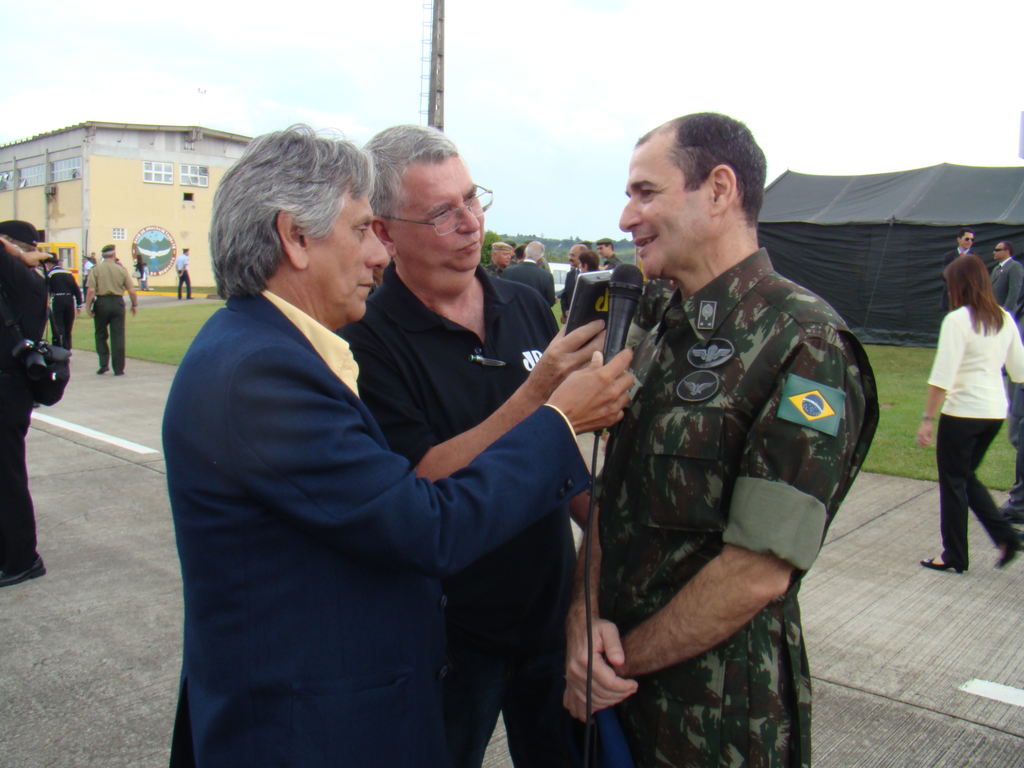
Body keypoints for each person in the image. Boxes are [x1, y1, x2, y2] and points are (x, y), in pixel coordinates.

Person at [164, 125, 632, 768]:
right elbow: (424, 523)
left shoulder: (269, 351)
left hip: (491, 639)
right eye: (361, 231)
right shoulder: (263, 374)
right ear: (294, 237)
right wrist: (554, 416)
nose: (376, 257)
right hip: (310, 727)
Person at [563, 113, 879, 768]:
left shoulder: (806, 342)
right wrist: (580, 621)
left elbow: (757, 570)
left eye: (646, 192)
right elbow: (611, 502)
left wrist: (618, 662)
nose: (626, 217)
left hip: (717, 723)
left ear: (719, 189)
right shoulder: (659, 325)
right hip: (614, 698)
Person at [342, 124, 620, 768]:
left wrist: (601, 519)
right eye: (443, 212)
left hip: (548, 617)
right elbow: (422, 481)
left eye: (473, 199)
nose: (471, 224)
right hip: (446, 637)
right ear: (384, 232)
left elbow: (562, 454)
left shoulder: (523, 302)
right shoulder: (367, 337)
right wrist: (543, 392)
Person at [916, 254, 1023, 573]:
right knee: (965, 476)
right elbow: (1019, 370)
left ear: (959, 286)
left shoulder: (958, 320)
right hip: (993, 412)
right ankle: (1005, 537)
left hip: (962, 413)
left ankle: (954, 555)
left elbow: (942, 376)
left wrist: (927, 419)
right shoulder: (1003, 318)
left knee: (952, 482)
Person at [0, 220, 50, 588]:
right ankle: (12, 553)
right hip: (12, 386)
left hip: (8, 388)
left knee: (8, 479)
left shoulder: (20, 276)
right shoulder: (23, 278)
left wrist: (12, 249)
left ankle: (22, 558)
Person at [85, 244, 138, 376]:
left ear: (102, 256)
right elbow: (131, 290)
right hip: (117, 302)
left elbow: (91, 290)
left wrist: (88, 306)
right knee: (118, 336)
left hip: (102, 302)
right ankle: (118, 368)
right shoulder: (121, 270)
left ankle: (103, 364)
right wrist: (134, 304)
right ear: (114, 255)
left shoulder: (96, 269)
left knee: (100, 334)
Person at [42, 255, 83, 348]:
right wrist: (79, 304)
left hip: (58, 299)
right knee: (68, 327)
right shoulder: (68, 273)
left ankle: (58, 346)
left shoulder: (50, 274)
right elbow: (76, 290)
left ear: (49, 264)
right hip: (69, 300)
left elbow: (46, 289)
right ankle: (67, 347)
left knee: (58, 326)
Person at [501, 240, 556, 306]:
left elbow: (502, 296)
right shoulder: (547, 276)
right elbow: (550, 302)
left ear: (525, 253)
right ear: (540, 257)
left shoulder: (508, 271)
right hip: (535, 314)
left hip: (512, 314)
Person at [940, 228, 975, 311]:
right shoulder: (949, 256)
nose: (970, 241)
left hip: (968, 298)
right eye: (967, 239)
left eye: (972, 239)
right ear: (959, 239)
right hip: (951, 297)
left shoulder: (975, 257)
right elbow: (944, 275)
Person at [990, 241, 1023, 312]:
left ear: (1007, 251)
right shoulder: (996, 268)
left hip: (1005, 312)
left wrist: (1006, 310)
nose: (994, 252)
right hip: (994, 310)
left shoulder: (1014, 266)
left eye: (997, 250)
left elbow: (1014, 291)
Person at [559, 243, 585, 322]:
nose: (569, 258)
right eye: (569, 255)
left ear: (582, 257)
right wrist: (565, 312)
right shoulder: (570, 274)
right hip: (571, 321)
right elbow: (564, 296)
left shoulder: (591, 274)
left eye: (573, 255)